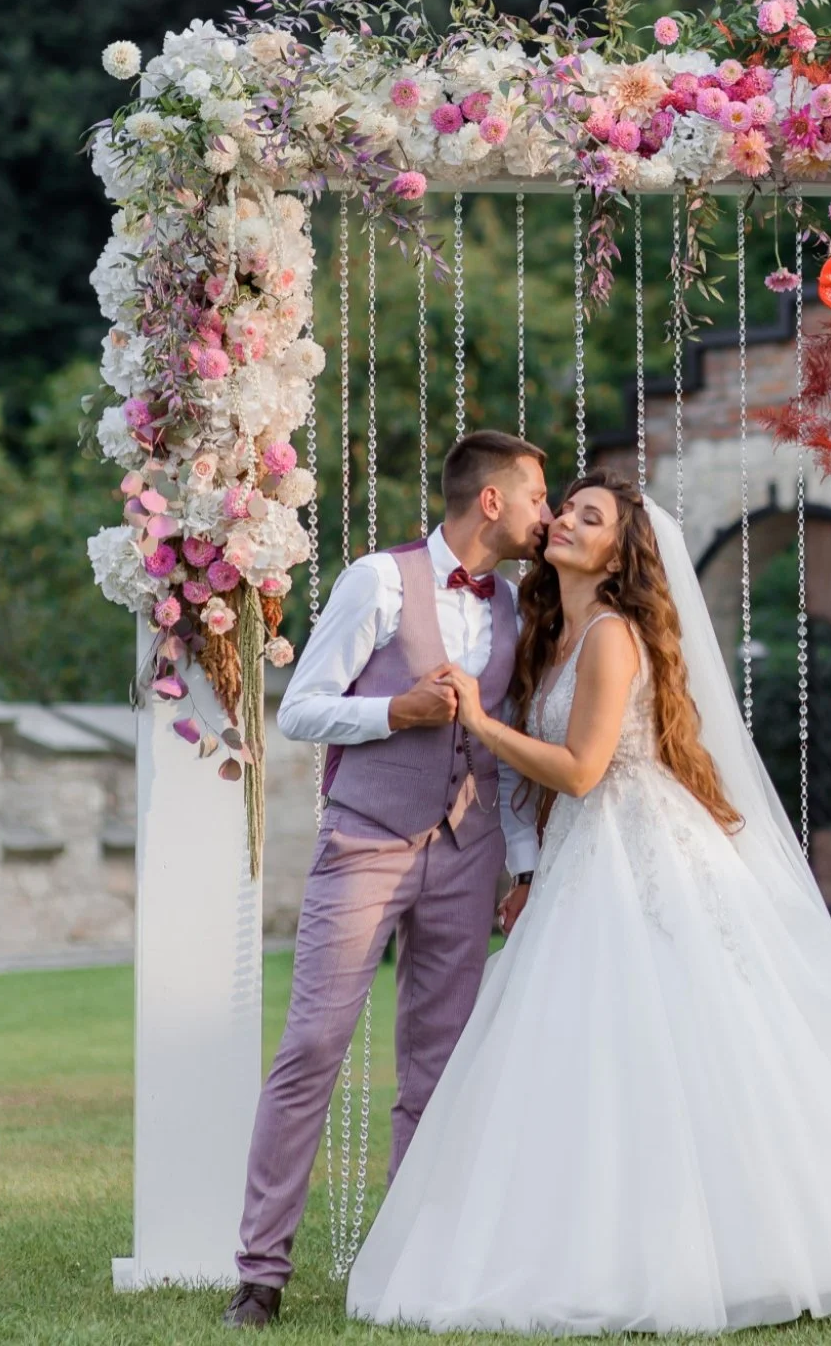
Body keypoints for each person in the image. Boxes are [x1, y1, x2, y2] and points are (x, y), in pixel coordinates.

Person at [345, 469, 831, 1333]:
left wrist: (479, 722)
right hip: (581, 859)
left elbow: (581, 769)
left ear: (619, 552)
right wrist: (528, 871)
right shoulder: (551, 632)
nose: (566, 519)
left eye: (589, 515)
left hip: (639, 849)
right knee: (592, 1053)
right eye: (565, 508)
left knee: (681, 1042)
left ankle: (737, 1248)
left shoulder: (610, 635)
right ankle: (604, 1242)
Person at [223, 431, 554, 1329]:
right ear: (491, 500)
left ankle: (412, 1266)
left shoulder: (522, 606)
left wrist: (520, 868)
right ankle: (260, 1271)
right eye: (537, 496)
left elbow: (509, 755)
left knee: (437, 1068)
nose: (546, 513)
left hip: (470, 849)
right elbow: (297, 708)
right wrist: (394, 711)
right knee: (313, 1049)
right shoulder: (376, 578)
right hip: (367, 838)